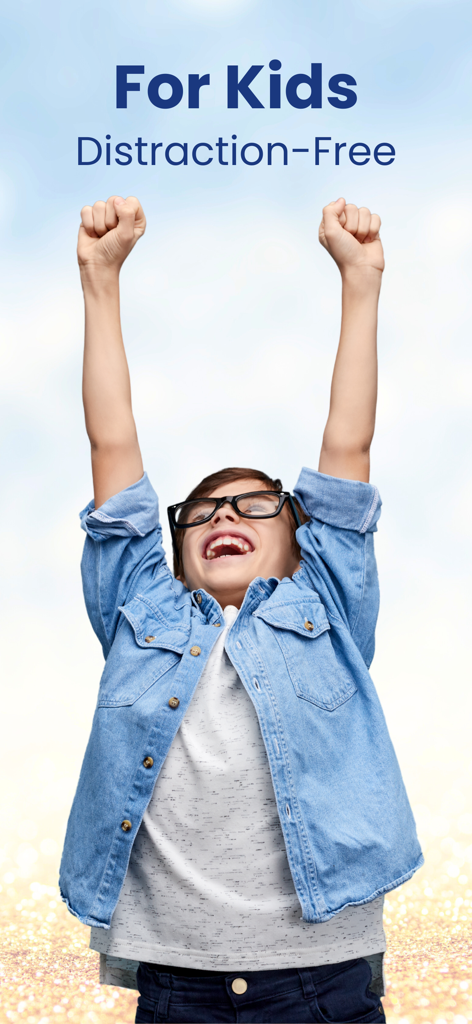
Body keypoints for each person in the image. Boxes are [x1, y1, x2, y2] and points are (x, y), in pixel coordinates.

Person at [59, 194, 423, 1023]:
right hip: (175, 984)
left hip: (322, 978)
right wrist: (99, 281)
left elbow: (347, 448)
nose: (224, 516)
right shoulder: (139, 607)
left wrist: (360, 282)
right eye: (204, 511)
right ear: (176, 545)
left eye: (256, 506)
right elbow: (112, 448)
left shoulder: (326, 602)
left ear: (303, 542)